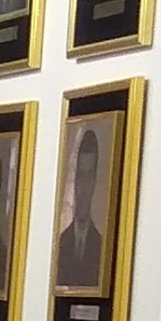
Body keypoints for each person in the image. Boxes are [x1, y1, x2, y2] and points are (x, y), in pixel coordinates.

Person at [53, 126, 110, 298]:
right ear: (74, 179)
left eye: (89, 175)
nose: (83, 188)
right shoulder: (60, 243)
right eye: (80, 175)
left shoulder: (102, 247)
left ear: (95, 181)